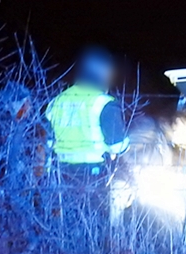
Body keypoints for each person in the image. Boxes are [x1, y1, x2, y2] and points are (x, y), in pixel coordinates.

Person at [44, 47, 129, 242]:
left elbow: (46, 142)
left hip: (61, 175)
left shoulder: (57, 101)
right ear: (104, 73)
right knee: (92, 230)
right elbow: (119, 147)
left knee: (64, 227)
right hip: (93, 177)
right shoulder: (103, 103)